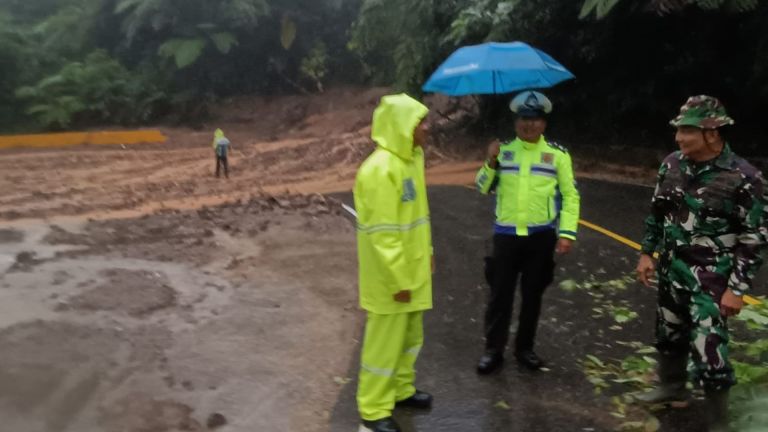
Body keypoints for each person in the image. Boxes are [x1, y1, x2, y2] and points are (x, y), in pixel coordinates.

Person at [634, 95, 767, 430]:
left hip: (712, 277)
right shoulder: (672, 164)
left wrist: (736, 289)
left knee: (709, 349)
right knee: (668, 332)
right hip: (671, 268)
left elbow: (755, 237)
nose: (679, 138)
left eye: (687, 131)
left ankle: (718, 421)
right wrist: (647, 253)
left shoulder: (744, 177)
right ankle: (671, 388)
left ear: (712, 133)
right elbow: (657, 213)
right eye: (678, 131)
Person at [474, 90, 580, 374]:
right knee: (500, 295)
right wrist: (490, 161)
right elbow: (482, 186)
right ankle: (493, 350)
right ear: (515, 121)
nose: (528, 124)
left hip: (541, 237)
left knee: (533, 295)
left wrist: (567, 233)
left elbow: (570, 196)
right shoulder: (503, 150)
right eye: (523, 118)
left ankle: (525, 348)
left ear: (544, 123)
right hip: (506, 236)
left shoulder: (557, 155)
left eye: (534, 119)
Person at [354, 93, 434, 432]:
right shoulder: (378, 171)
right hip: (393, 279)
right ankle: (373, 409)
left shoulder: (411, 160)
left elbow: (417, 217)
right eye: (421, 122)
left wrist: (428, 254)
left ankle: (401, 391)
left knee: (410, 338)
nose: (427, 128)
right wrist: (400, 280)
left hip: (413, 271)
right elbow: (383, 236)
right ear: (403, 126)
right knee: (383, 347)